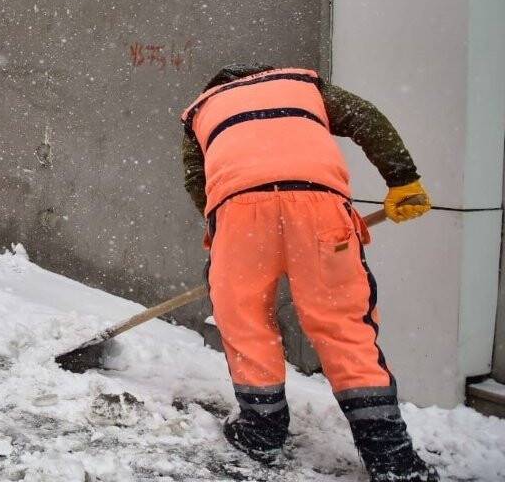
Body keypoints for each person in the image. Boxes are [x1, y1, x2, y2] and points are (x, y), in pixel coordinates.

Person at [181, 64, 436, 482]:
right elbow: (366, 118)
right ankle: (390, 454)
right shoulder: (301, 87)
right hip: (319, 206)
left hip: (240, 211)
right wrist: (403, 180)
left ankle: (260, 431)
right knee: (343, 324)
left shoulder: (201, 111)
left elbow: (198, 182)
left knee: (243, 320)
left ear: (217, 88)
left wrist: (229, 233)